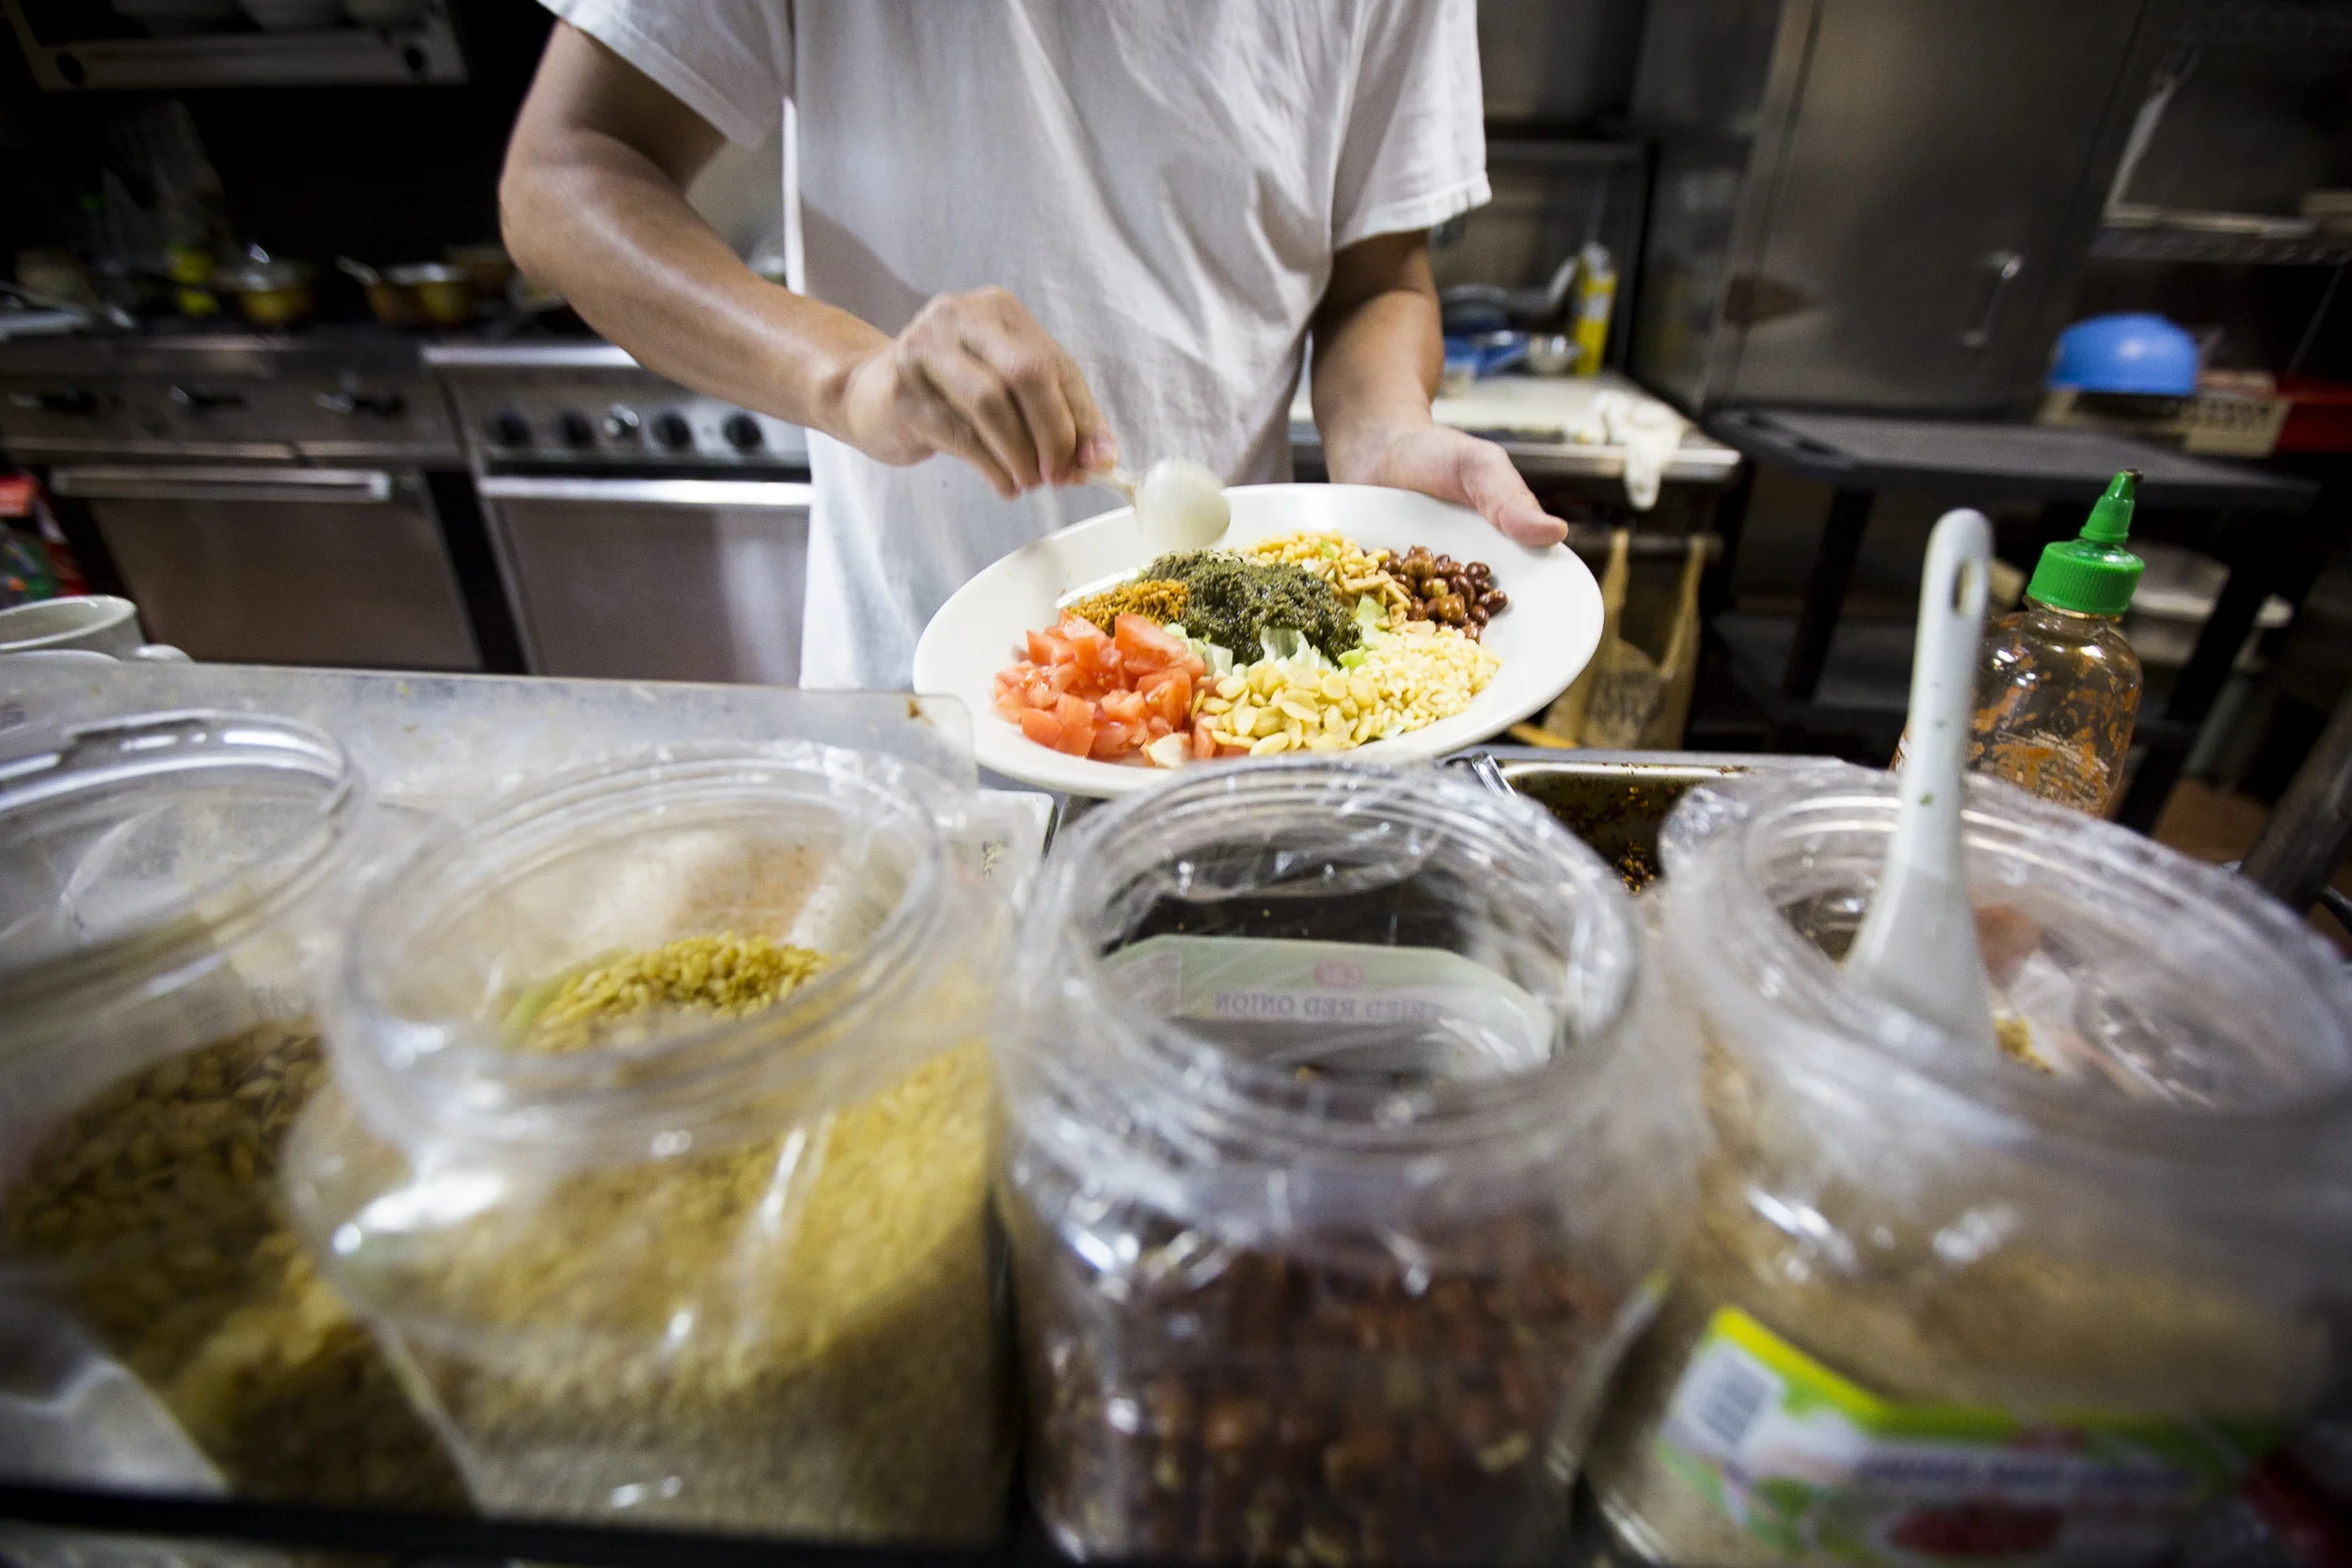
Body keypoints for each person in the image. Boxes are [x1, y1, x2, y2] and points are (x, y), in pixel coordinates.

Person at [501, 1, 1567, 690]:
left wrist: (1381, 438)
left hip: (1245, 685)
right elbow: (568, 172)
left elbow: (1376, 278)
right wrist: (854, 376)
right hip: (914, 697)